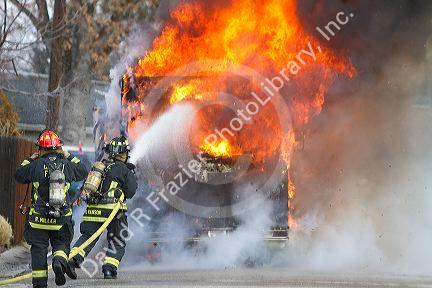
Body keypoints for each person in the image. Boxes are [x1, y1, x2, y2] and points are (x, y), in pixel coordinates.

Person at [15, 129, 87, 288]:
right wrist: (69, 156)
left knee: (39, 250)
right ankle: (59, 262)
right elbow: (83, 171)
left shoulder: (35, 165)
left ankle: (40, 284)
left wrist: (29, 159)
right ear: (58, 148)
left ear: (40, 149)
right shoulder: (67, 165)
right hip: (61, 219)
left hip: (38, 221)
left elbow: (19, 175)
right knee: (61, 244)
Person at [70, 135, 137, 279]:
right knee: (117, 239)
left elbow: (85, 187)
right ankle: (109, 269)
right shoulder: (124, 169)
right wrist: (130, 174)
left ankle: (73, 259)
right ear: (124, 153)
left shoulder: (101, 167)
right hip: (114, 212)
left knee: (88, 237)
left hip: (93, 210)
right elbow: (131, 192)